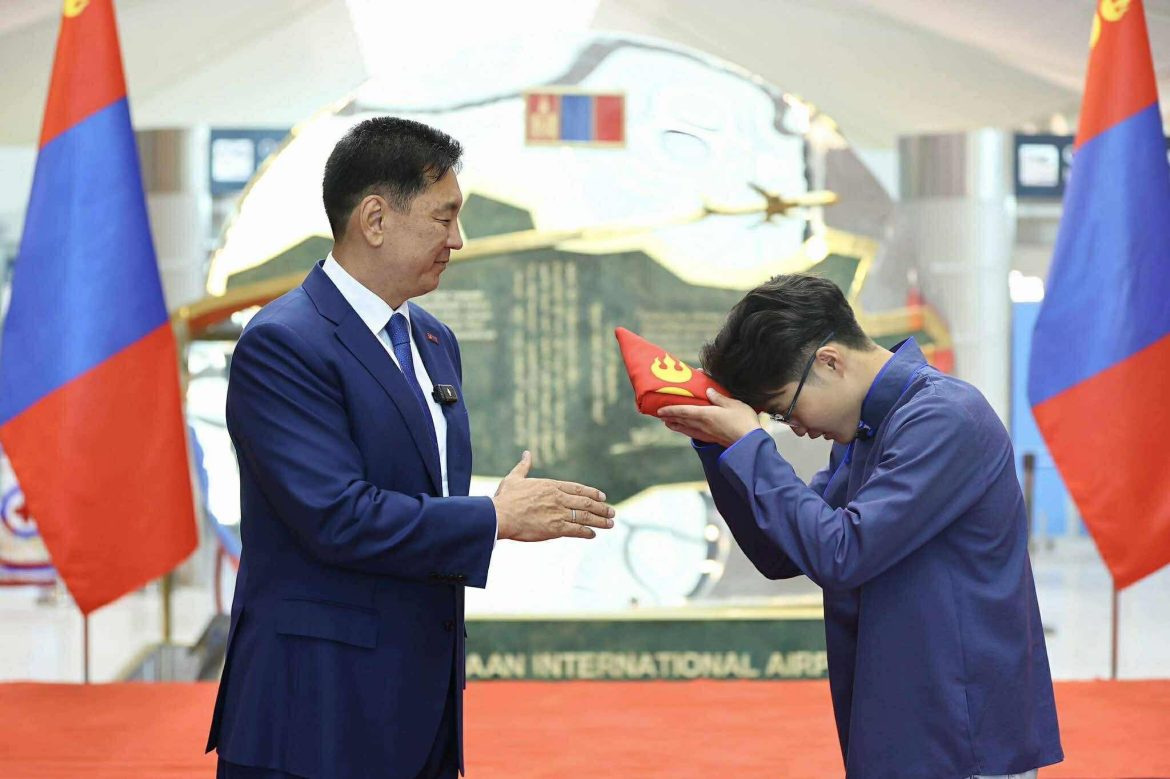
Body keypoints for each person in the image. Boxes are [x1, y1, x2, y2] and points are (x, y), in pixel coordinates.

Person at [206, 117, 615, 779]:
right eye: (443, 217)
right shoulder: (284, 342)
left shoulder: (431, 339)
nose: (458, 239)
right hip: (317, 706)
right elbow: (336, 516)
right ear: (375, 219)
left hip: (421, 699)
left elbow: (421, 491)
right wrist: (493, 517)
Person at [658, 274, 1062, 779]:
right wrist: (720, 449)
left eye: (785, 410)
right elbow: (783, 553)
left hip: (959, 735)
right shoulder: (872, 428)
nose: (795, 427)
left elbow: (841, 553)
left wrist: (751, 447)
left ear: (830, 361)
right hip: (904, 717)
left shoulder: (943, 417)